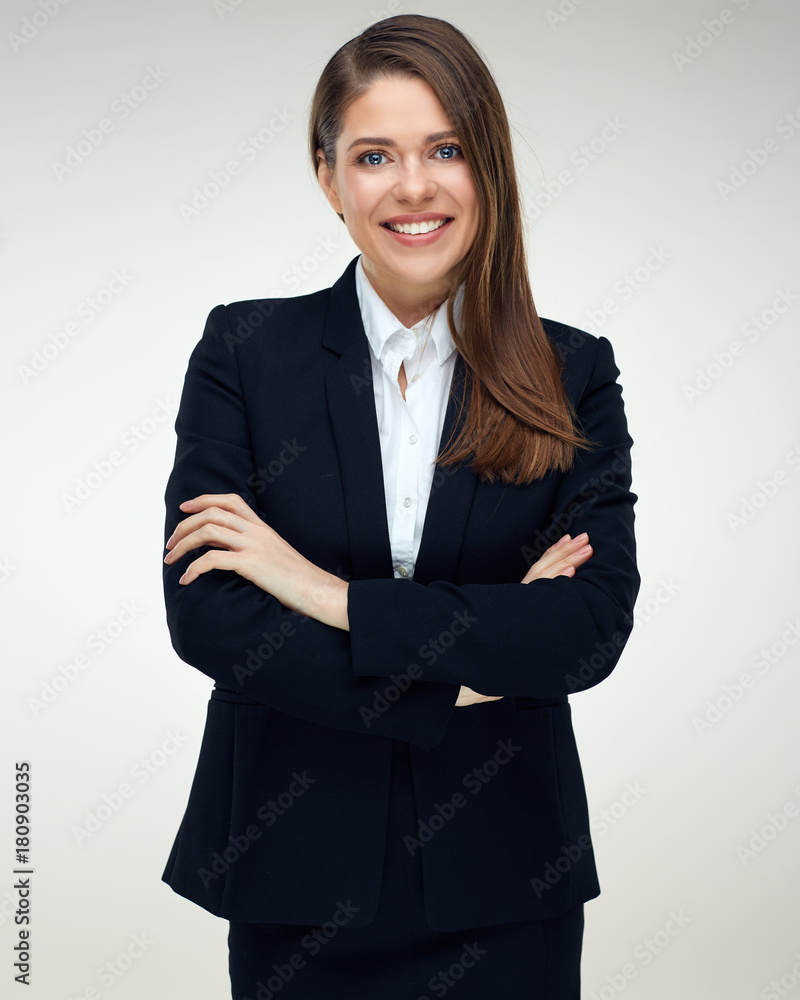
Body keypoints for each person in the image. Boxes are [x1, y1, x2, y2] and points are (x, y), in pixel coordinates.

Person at [160, 13, 639, 1000]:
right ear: (328, 176)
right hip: (293, 868)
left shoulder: (571, 372)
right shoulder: (245, 354)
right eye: (374, 155)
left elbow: (584, 630)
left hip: (506, 874)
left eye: (445, 150)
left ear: (488, 167)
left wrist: (321, 592)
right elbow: (211, 616)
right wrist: (464, 676)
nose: (412, 186)